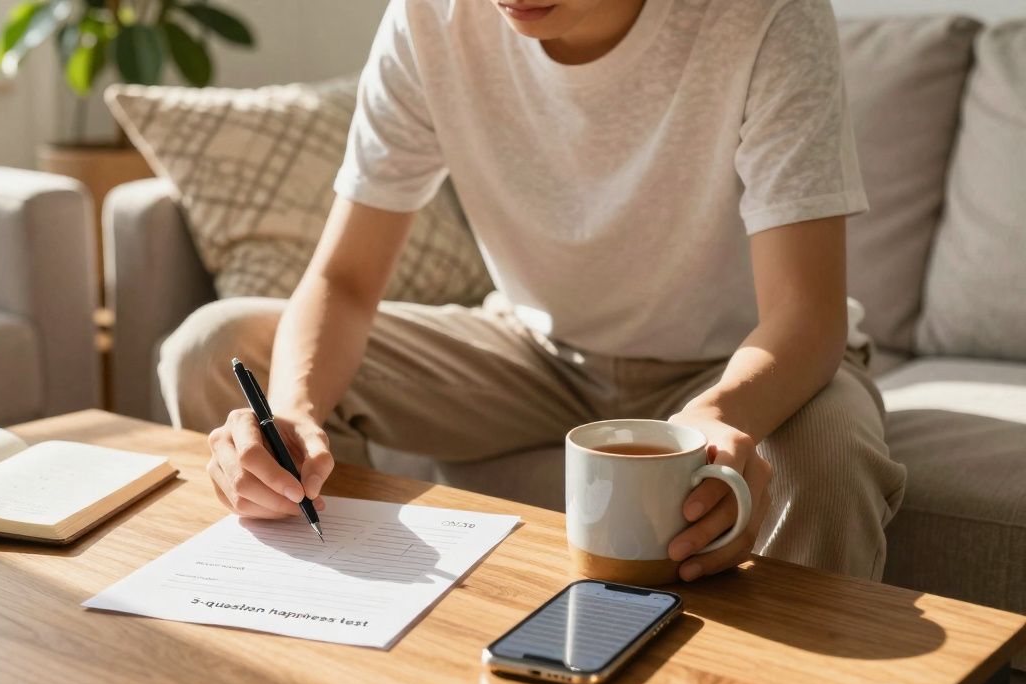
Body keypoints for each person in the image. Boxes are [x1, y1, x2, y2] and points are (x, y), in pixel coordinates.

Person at [159, 0, 907, 582]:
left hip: (734, 368)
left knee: (828, 459)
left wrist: (713, 419)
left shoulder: (766, 18)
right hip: (533, 353)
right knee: (216, 346)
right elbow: (345, 281)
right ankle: (324, 639)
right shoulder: (432, 19)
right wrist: (290, 418)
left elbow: (803, 315)